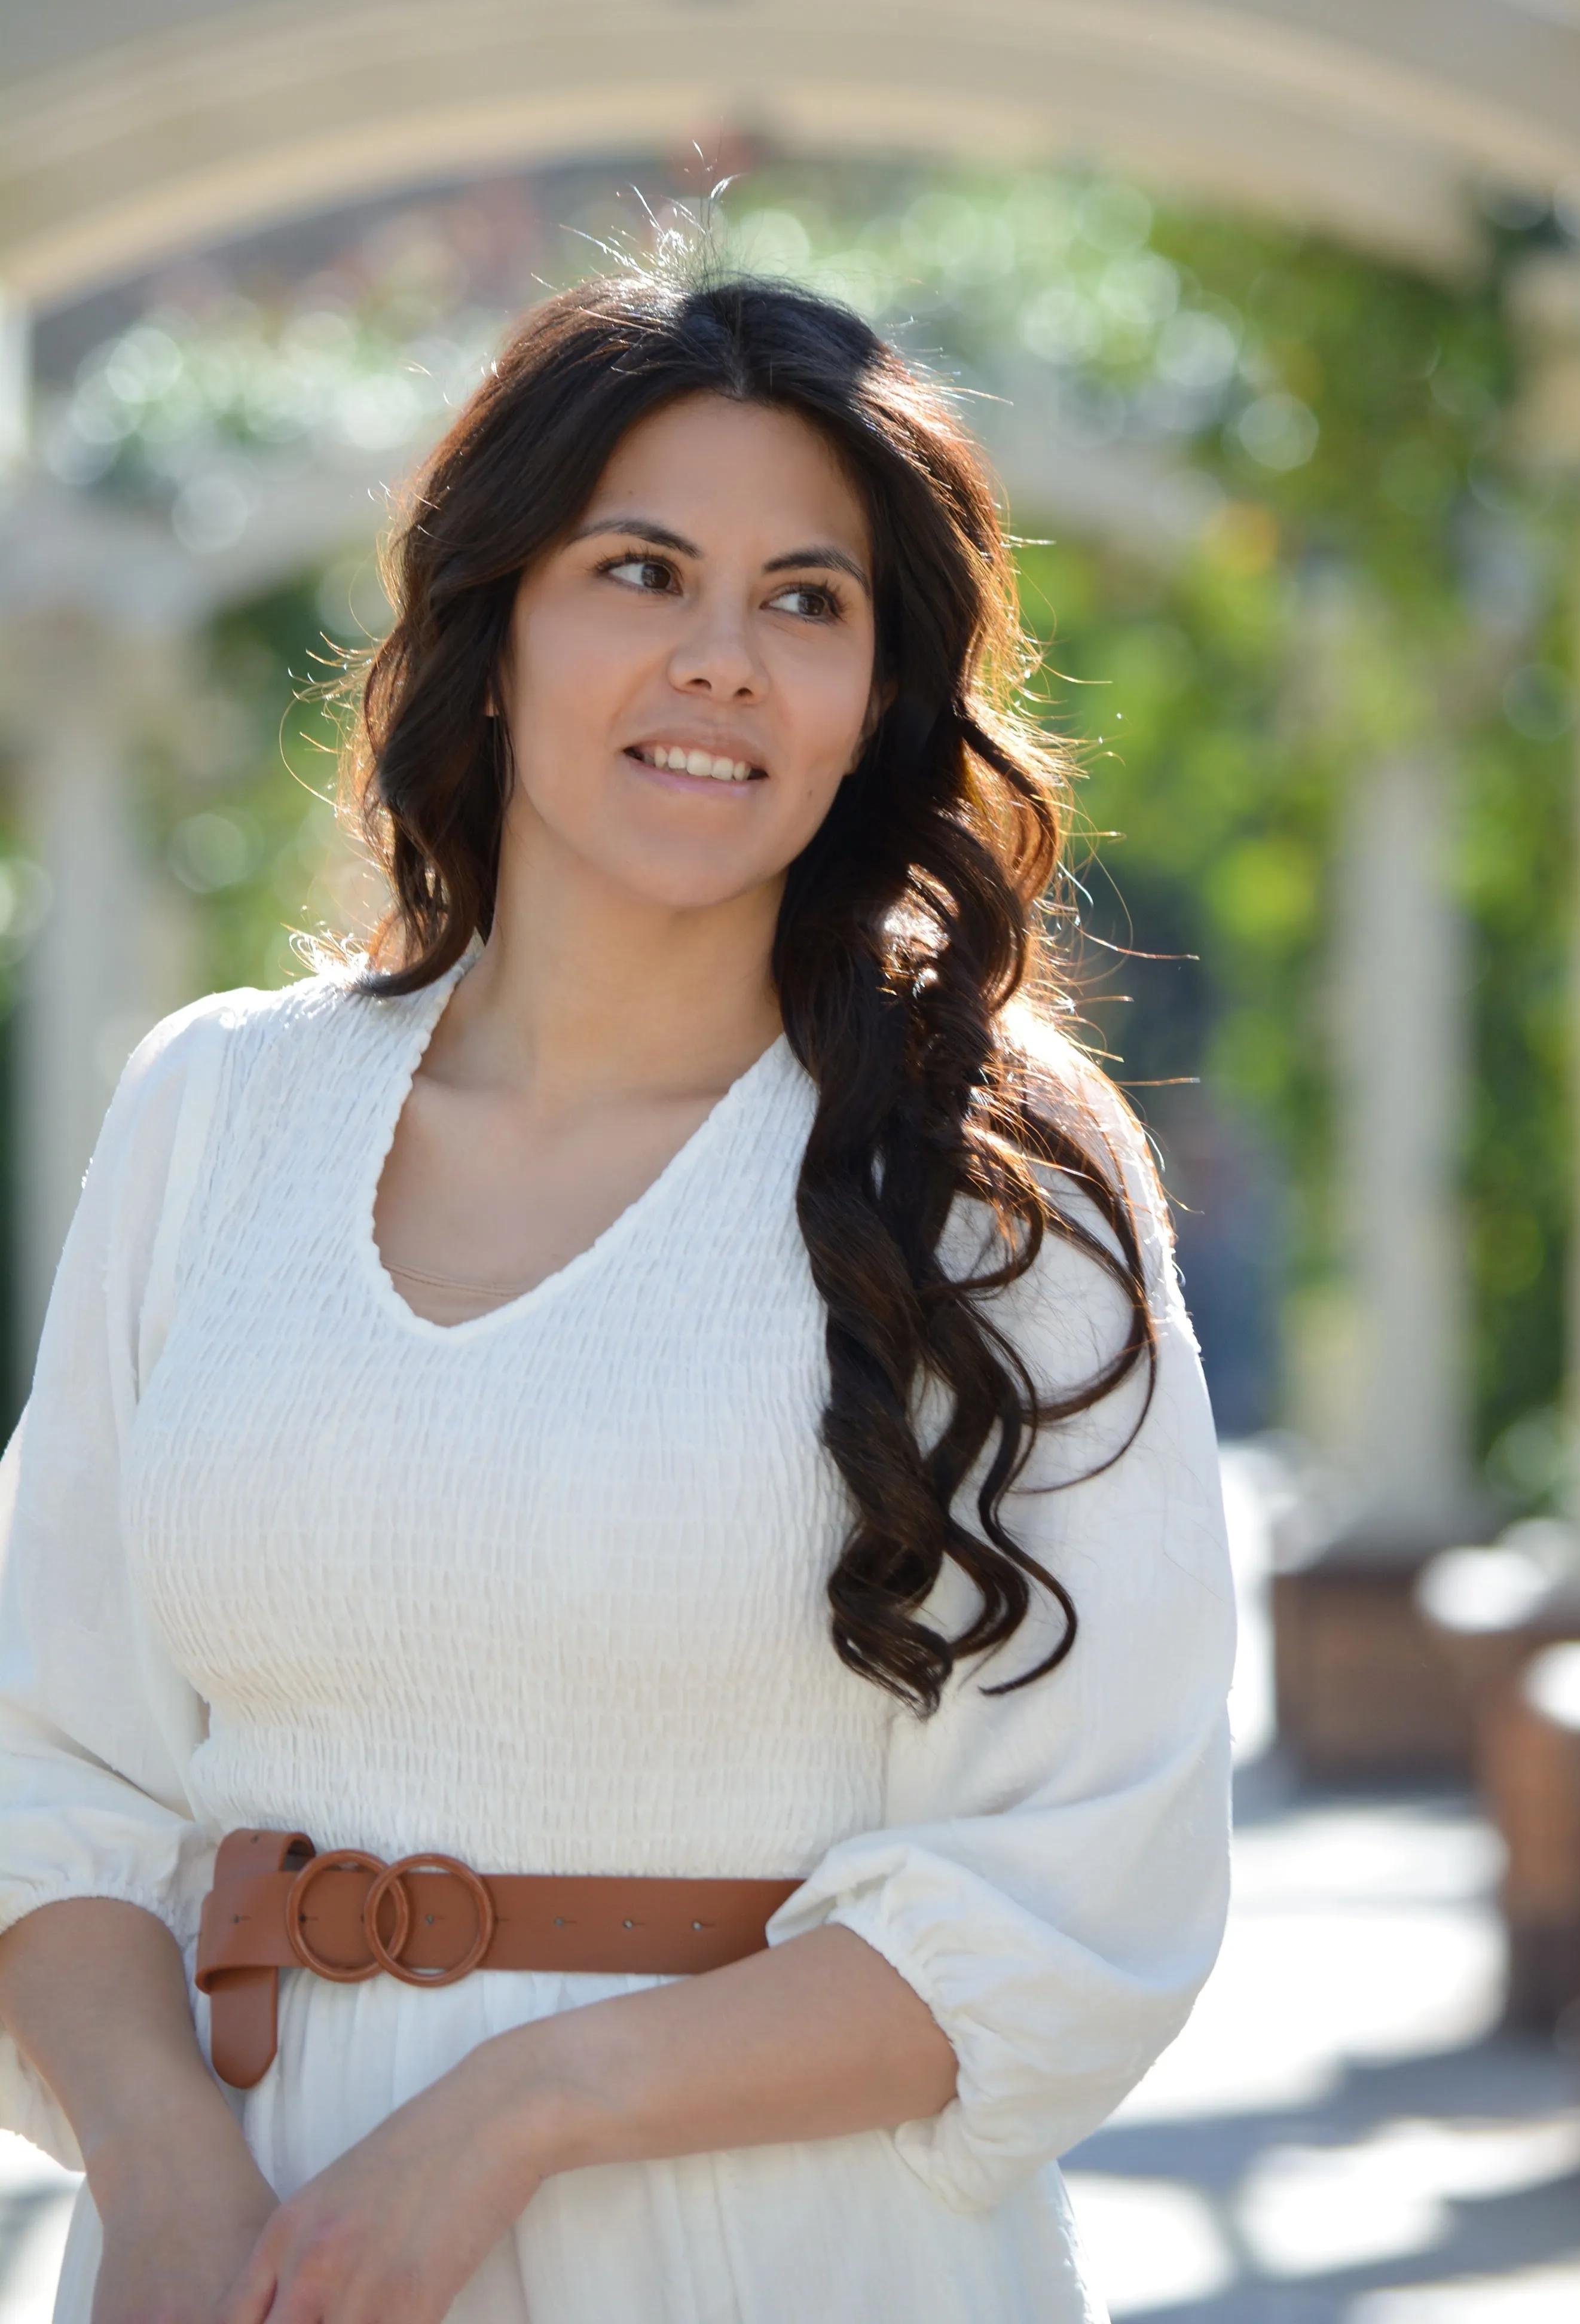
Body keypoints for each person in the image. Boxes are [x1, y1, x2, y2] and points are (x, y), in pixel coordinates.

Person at [0, 268, 1233, 2324]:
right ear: (496, 634)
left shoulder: (1001, 1179)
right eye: (642, 571)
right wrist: (164, 2180)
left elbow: (1080, 1884)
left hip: (785, 2257)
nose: (721, 661)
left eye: (806, 600)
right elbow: (48, 1753)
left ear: (878, 698)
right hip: (229, 2252)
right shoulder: (217, 1115)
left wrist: (515, 2114)